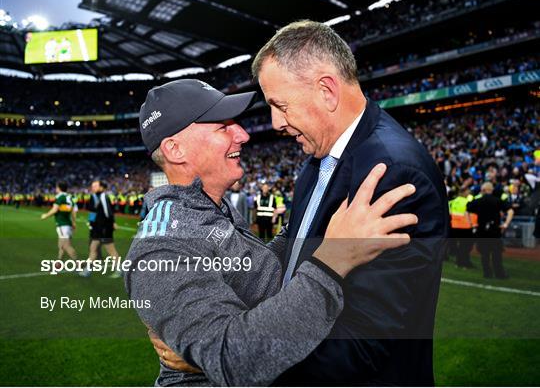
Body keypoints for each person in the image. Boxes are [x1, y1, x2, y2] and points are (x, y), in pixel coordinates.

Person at [152, 21, 449, 385]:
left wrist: (223, 358)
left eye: (280, 104)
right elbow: (292, 252)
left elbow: (359, 347)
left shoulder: (391, 173)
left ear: (326, 90)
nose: (275, 122)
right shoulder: (317, 159)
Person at [125, 78, 418, 386]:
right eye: (222, 127)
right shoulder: (162, 246)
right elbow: (234, 359)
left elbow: (260, 270)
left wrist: (312, 212)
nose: (243, 134)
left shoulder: (209, 209)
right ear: (175, 148)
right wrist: (333, 260)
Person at [467, 182, 514, 279]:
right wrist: (505, 224)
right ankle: (499, 274)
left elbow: (467, 211)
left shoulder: (478, 200)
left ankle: (487, 273)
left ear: (483, 190)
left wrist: (471, 224)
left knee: (485, 254)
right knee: (496, 254)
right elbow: (510, 211)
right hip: (494, 230)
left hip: (482, 230)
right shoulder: (497, 201)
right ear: (491, 190)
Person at [80, 180, 122, 278]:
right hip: (97, 229)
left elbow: (109, 213)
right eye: (92, 186)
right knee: (93, 249)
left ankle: (119, 270)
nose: (92, 187)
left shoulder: (104, 197)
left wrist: (112, 224)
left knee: (111, 250)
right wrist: (92, 223)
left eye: (95, 186)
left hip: (104, 228)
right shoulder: (94, 197)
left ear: (101, 187)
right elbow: (94, 212)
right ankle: (87, 271)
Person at [40, 181, 78, 263]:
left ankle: (81, 265)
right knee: (61, 245)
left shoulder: (60, 197)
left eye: (56, 187)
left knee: (66, 246)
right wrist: (74, 223)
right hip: (68, 224)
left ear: (59, 188)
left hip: (62, 224)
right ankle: (58, 263)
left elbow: (55, 209)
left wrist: (45, 216)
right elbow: (74, 211)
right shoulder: (70, 197)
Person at [448, 186, 475, 268]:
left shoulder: (452, 202)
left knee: (459, 246)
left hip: (454, 227)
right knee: (466, 246)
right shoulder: (467, 202)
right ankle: (464, 262)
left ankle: (458, 262)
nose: (469, 193)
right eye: (468, 191)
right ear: (463, 192)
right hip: (465, 227)